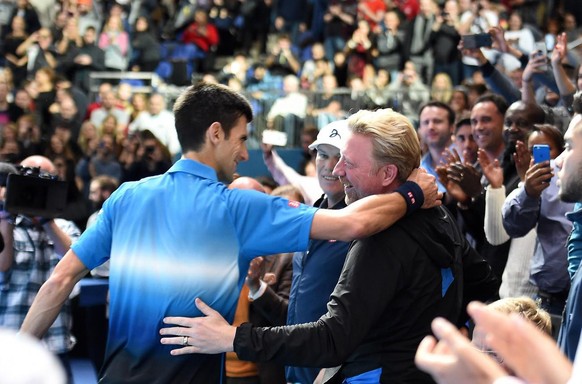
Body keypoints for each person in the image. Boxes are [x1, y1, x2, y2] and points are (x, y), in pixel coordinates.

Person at [19, 83, 441, 383]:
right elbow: (355, 222)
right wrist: (412, 191)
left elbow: (59, 279)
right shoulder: (238, 206)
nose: (244, 152)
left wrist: (14, 359)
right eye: (241, 139)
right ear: (215, 134)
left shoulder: (126, 196)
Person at [159, 108, 498, 383]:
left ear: (387, 174)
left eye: (348, 162)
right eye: (329, 157)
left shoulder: (380, 240)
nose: (337, 170)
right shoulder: (437, 216)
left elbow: (332, 339)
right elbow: (483, 283)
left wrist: (233, 339)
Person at [250, 120, 351, 384]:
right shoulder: (310, 217)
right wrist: (258, 286)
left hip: (333, 371)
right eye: (323, 155)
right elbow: (297, 311)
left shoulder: (361, 224)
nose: (330, 166)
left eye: (339, 157)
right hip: (297, 369)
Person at [0, 156, 81, 376]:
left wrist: (47, 220)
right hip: (10, 344)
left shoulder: (65, 227)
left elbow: (76, 260)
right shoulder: (4, 224)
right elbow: (2, 265)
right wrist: (7, 216)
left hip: (55, 342)